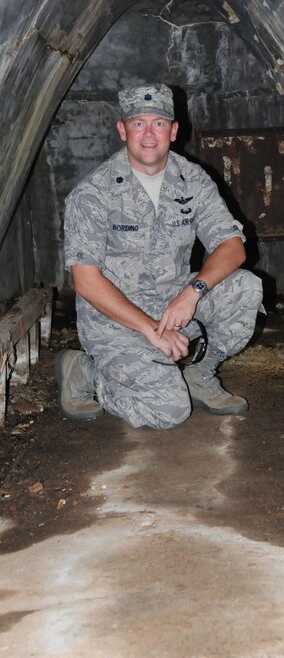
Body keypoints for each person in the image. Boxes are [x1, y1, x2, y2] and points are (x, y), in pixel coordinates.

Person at [57, 83, 263, 429]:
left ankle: (198, 373)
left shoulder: (192, 180)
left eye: (158, 123)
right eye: (138, 123)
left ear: (173, 130)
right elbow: (86, 281)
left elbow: (232, 246)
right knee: (169, 410)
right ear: (122, 130)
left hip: (171, 302)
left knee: (246, 288)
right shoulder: (94, 193)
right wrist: (151, 330)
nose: (149, 134)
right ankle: (87, 372)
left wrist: (192, 292)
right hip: (115, 319)